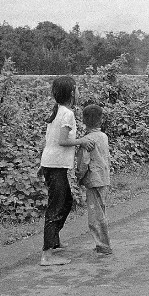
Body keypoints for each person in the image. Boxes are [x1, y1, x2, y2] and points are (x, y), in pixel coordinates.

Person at [39, 75, 94, 266]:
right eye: (77, 89)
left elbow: (51, 139)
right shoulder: (67, 114)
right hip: (55, 164)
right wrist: (82, 141)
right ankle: (47, 255)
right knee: (56, 206)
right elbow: (62, 141)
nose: (79, 92)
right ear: (72, 93)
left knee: (66, 201)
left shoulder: (58, 110)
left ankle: (54, 241)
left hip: (52, 163)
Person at [75, 104, 113, 256]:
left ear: (83, 120)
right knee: (101, 211)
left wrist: (78, 177)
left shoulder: (87, 140)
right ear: (101, 120)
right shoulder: (103, 137)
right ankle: (103, 244)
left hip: (93, 180)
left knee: (95, 216)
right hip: (104, 178)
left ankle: (103, 245)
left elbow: (83, 162)